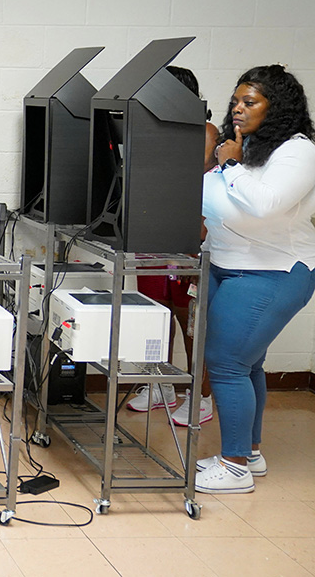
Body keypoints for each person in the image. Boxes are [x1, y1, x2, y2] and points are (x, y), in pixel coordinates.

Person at [195, 65, 315, 494]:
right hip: (228, 263)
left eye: (251, 102)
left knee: (227, 364)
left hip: (273, 269)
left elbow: (265, 205)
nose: (238, 109)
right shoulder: (248, 146)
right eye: (236, 100)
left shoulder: (297, 151)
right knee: (248, 364)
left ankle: (234, 467)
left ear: (276, 107)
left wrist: (229, 165)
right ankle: (250, 452)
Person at [128, 66, 220, 426]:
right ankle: (160, 383)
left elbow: (188, 170)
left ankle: (201, 396)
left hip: (189, 238)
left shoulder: (205, 132)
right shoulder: (150, 132)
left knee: (190, 321)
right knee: (155, 314)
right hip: (155, 234)